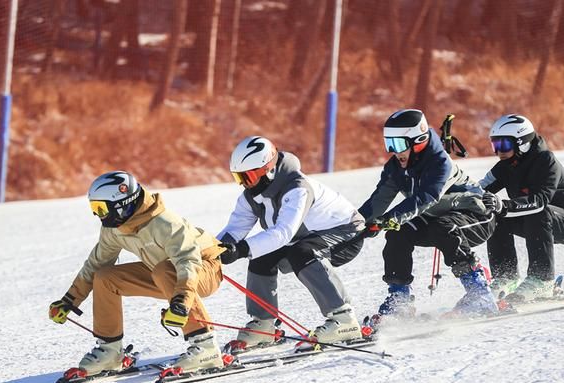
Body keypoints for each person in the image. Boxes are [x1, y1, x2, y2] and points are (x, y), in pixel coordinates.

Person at [48, 171, 226, 377]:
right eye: (94, 208)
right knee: (105, 277)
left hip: (203, 269)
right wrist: (69, 300)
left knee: (165, 269)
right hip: (163, 273)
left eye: (101, 208)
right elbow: (96, 263)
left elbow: (187, 262)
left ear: (121, 203)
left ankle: (205, 347)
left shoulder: (165, 223)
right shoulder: (115, 228)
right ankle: (110, 351)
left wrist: (181, 303)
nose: (98, 215)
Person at [217, 136, 366, 351]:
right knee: (262, 255)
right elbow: (234, 230)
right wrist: (213, 249)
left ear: (267, 169)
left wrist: (240, 250)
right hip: (305, 237)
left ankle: (344, 320)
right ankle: (264, 324)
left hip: (346, 235)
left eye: (247, 177)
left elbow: (283, 233)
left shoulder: (296, 188)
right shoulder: (251, 195)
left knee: (302, 252)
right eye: (238, 178)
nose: (243, 184)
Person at [358, 109, 498, 318]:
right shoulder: (396, 166)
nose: (393, 151)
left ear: (419, 140)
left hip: (475, 215)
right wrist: (355, 224)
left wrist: (390, 219)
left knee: (443, 228)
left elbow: (427, 197)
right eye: (389, 144)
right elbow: (378, 200)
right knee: (398, 233)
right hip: (434, 219)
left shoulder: (440, 163)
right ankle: (400, 300)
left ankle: (480, 294)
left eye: (397, 144)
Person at [480, 114, 564, 301]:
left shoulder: (545, 161)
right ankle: (505, 277)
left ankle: (542, 281)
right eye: (495, 145)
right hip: (536, 221)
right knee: (495, 215)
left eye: (504, 145)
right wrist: (452, 196)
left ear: (522, 142)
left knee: (538, 211)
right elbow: (479, 188)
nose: (499, 151)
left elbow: (540, 200)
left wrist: (505, 205)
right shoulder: (505, 165)